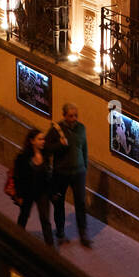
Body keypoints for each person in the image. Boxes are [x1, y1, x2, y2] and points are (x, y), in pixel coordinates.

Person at [46, 102, 91, 246]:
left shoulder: (81, 128)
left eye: (75, 116)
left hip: (78, 172)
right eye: (71, 116)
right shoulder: (55, 130)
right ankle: (60, 232)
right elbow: (47, 148)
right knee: (59, 202)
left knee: (81, 203)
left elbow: (84, 148)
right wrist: (60, 144)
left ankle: (83, 233)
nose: (74, 119)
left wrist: (85, 166)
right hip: (61, 172)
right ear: (64, 116)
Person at [14, 127, 55, 247]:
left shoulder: (45, 156)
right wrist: (19, 194)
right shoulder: (23, 158)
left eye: (43, 139)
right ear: (32, 141)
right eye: (40, 139)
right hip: (28, 192)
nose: (43, 141)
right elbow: (18, 177)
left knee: (45, 220)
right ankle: (16, 238)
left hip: (42, 193)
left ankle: (50, 247)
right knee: (24, 216)